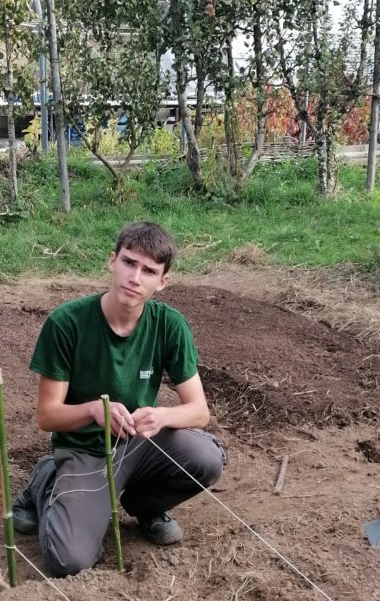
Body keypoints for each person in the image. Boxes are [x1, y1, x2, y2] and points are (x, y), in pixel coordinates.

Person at [13, 222, 225, 577]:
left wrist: (162, 416)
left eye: (149, 271)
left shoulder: (169, 325)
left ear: (162, 282)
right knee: (69, 561)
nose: (135, 277)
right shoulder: (67, 323)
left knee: (207, 458)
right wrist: (94, 410)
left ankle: (143, 507)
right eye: (129, 263)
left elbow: (199, 411)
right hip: (85, 450)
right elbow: (47, 416)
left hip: (138, 443)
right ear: (112, 261)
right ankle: (47, 479)